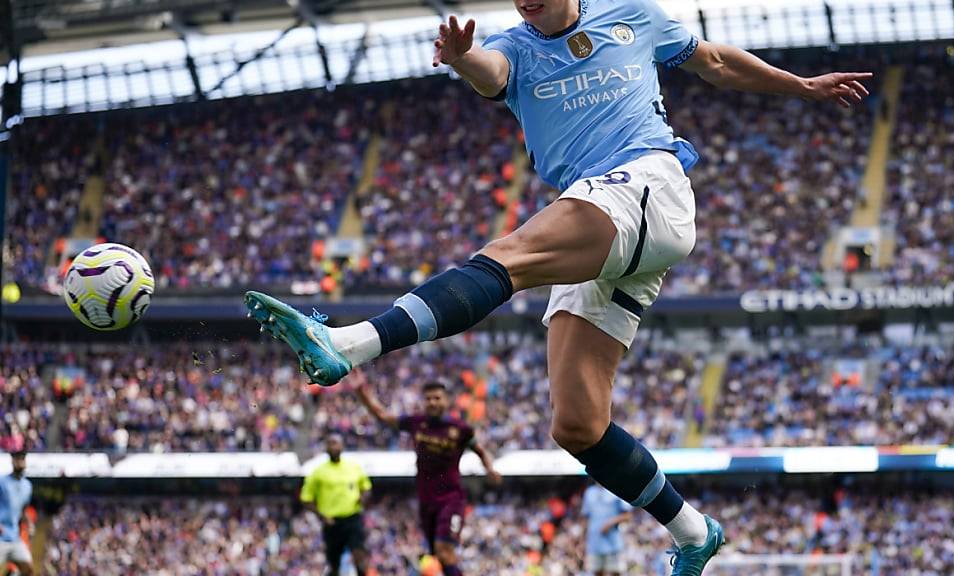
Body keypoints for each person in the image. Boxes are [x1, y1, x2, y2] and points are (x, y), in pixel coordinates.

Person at [244, 0, 870, 572]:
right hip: (597, 211)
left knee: (507, 257)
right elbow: (490, 72)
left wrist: (801, 85)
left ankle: (348, 343)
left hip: (647, 183)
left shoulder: (632, 14)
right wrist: (463, 58)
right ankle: (692, 531)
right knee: (577, 426)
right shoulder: (513, 47)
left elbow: (714, 61)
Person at [354, 374, 501, 576]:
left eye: (437, 398)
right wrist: (361, 391)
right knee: (437, 556)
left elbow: (480, 450)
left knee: (444, 551)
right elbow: (382, 415)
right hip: (426, 500)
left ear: (446, 401)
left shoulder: (460, 429)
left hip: (451, 499)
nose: (432, 402)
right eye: (428, 398)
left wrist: (490, 468)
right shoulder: (416, 423)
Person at [300, 434, 372, 576]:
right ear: (326, 448)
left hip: (352, 518)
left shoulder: (353, 467)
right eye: (330, 443)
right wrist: (321, 515)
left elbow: (366, 487)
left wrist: (363, 499)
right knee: (334, 564)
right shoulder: (318, 472)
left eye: (336, 443)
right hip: (331, 522)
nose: (334, 447)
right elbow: (305, 498)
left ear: (342, 446)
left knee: (359, 554)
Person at [582, 482, 631, 576]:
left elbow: (627, 516)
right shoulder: (589, 492)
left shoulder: (616, 489)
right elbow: (585, 518)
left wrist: (610, 523)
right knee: (596, 572)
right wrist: (583, 541)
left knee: (616, 572)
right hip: (594, 543)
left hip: (613, 544)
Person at [0, 451, 33, 576]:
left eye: (22, 459)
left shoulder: (27, 486)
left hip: (15, 537)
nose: (20, 462)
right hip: (1, 538)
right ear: (12, 461)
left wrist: (29, 523)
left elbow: (22, 511)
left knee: (27, 570)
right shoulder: (2, 482)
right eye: (17, 459)